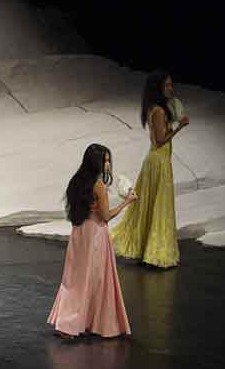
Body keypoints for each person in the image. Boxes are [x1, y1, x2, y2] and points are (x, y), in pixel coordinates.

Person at [49, 144, 135, 338]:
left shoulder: (76, 181)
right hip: (95, 236)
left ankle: (69, 323)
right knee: (97, 280)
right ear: (95, 162)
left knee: (75, 280)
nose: (108, 164)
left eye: (108, 160)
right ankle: (98, 323)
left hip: (79, 233)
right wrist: (127, 202)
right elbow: (105, 216)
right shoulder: (99, 186)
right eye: (104, 160)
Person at [111, 71, 189, 268]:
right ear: (158, 88)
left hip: (157, 161)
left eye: (171, 85)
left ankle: (149, 248)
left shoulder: (155, 109)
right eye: (167, 86)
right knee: (159, 205)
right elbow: (161, 140)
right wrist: (180, 127)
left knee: (152, 206)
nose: (171, 89)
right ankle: (156, 251)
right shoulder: (159, 111)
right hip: (158, 162)